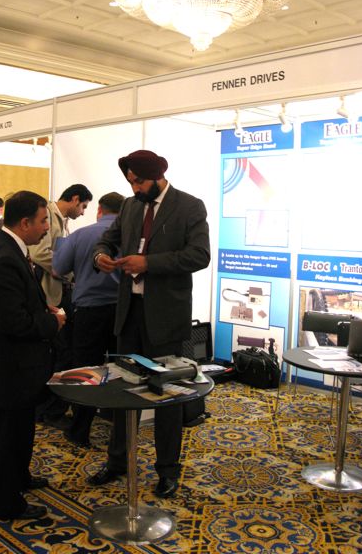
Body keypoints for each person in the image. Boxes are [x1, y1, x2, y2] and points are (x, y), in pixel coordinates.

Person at [89, 149, 210, 498]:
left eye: (139, 182)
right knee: (122, 389)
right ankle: (117, 461)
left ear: (158, 176)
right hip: (129, 314)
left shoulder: (190, 206)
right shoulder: (130, 206)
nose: (135, 188)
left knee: (167, 395)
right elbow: (107, 239)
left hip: (165, 318)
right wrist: (100, 255)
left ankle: (167, 470)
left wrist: (148, 263)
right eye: (130, 182)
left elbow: (199, 255)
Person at [0, 190, 66, 521]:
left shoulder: (3, 246)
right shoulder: (5, 257)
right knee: (11, 435)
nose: (46, 228)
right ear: (25, 223)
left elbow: (16, 303)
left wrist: (41, 307)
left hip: (12, 365)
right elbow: (14, 322)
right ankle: (7, 502)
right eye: (42, 221)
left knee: (20, 429)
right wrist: (53, 322)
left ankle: (19, 478)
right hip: (10, 366)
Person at [52, 191, 124, 447]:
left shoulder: (81, 235)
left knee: (86, 371)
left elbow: (58, 269)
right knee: (121, 369)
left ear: (99, 210)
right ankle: (119, 428)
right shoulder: (131, 237)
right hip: (122, 313)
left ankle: (79, 429)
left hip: (89, 312)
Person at [29, 184, 93, 425]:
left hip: (57, 293)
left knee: (62, 352)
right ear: (75, 199)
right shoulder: (48, 215)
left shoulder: (61, 220)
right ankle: (48, 409)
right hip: (49, 295)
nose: (83, 212)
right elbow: (39, 253)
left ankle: (51, 407)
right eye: (83, 206)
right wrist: (67, 269)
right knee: (60, 352)